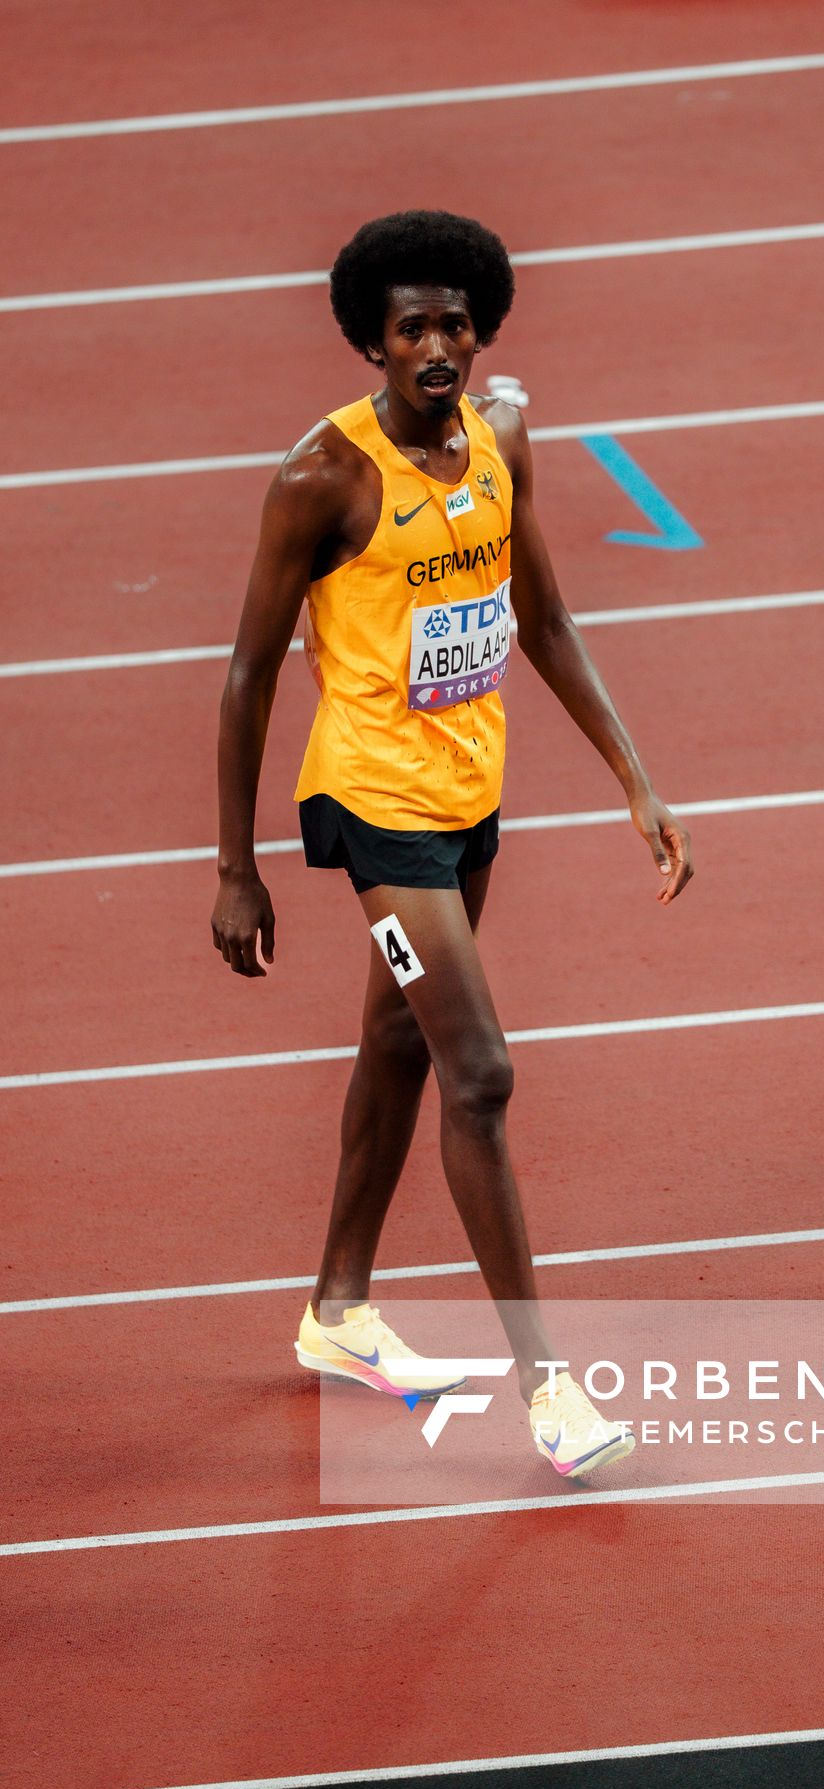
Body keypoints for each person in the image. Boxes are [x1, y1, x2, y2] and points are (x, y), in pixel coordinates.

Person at [211, 209, 693, 1479]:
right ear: (369, 339)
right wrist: (233, 865)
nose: (437, 344)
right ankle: (550, 1391)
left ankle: (337, 1309)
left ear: (483, 326)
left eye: (454, 322)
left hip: (471, 797)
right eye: (411, 326)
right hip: (376, 812)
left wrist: (633, 782)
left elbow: (542, 616)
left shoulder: (501, 438)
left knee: (393, 1042)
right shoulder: (324, 477)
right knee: (476, 1072)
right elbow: (250, 672)